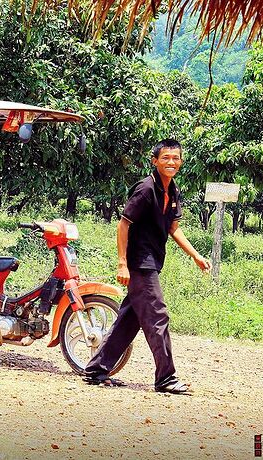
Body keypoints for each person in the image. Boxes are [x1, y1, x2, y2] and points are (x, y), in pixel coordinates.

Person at [83, 138, 212, 394]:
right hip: (140, 263)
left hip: (153, 260)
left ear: (181, 162)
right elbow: (123, 224)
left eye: (175, 158)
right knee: (157, 316)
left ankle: (96, 369)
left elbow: (174, 228)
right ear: (155, 161)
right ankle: (165, 378)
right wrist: (122, 264)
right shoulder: (145, 189)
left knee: (130, 319)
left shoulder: (172, 190)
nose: (171, 162)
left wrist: (195, 255)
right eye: (165, 158)